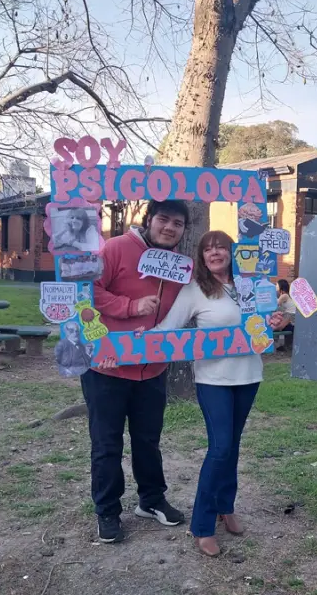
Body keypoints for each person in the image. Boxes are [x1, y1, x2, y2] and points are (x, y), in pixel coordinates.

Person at [137, 231, 286, 557]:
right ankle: (202, 525)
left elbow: (262, 328)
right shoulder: (195, 291)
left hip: (249, 376)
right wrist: (140, 338)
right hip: (213, 379)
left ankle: (225, 506)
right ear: (202, 257)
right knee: (219, 449)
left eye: (221, 246)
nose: (215, 252)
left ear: (232, 252)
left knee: (232, 446)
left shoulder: (252, 286)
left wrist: (274, 321)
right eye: (208, 249)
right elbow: (169, 328)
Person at [82, 199, 190, 544]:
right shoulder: (115, 248)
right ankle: (108, 512)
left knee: (148, 441)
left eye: (178, 223)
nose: (170, 227)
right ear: (148, 219)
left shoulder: (180, 267)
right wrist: (131, 307)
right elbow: (87, 290)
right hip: (107, 367)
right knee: (106, 444)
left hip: (153, 369)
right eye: (163, 219)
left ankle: (152, 500)